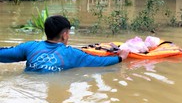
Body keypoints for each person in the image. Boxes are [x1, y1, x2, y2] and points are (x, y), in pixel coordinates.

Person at [0, 15, 129, 73]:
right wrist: (120, 57)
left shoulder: (29, 46)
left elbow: (4, 54)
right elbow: (99, 62)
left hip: (28, 86)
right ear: (64, 35)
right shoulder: (73, 54)